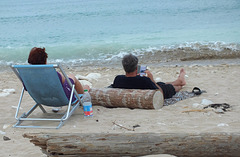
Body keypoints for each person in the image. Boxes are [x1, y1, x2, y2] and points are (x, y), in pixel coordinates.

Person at [28, 47, 89, 111]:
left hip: (41, 99)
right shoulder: (51, 74)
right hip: (61, 99)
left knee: (62, 79)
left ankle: (82, 92)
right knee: (71, 77)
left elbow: (27, 88)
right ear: (45, 61)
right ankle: (83, 95)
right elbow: (63, 81)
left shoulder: (27, 75)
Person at [111, 54, 186, 99]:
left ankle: (177, 81)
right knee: (171, 87)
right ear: (137, 68)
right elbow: (160, 93)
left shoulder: (118, 79)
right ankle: (181, 81)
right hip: (159, 90)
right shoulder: (144, 80)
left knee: (160, 83)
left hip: (144, 86)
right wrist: (152, 80)